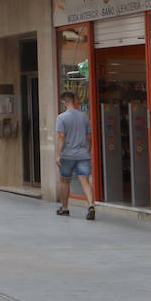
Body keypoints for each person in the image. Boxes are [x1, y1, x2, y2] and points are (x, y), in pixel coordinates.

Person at [55, 92, 95, 220]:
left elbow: (61, 137)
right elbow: (89, 137)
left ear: (64, 102)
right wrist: (88, 151)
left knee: (65, 181)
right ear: (74, 101)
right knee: (85, 180)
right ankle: (90, 205)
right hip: (83, 154)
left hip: (68, 155)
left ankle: (65, 208)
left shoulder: (61, 118)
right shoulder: (84, 117)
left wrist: (58, 155)